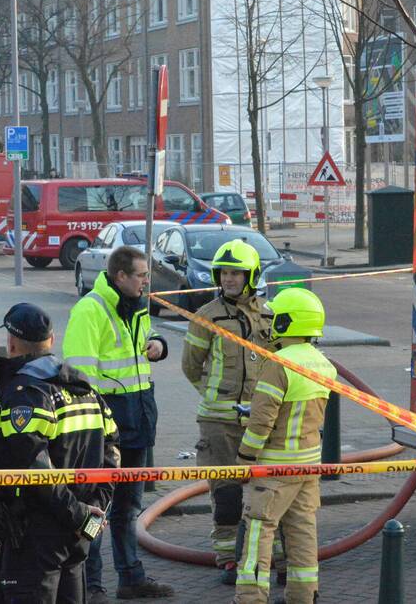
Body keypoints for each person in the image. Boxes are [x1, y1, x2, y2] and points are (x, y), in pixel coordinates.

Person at [0, 303, 120, 604]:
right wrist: (92, 515)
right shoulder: (86, 390)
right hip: (77, 533)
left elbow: (33, 466)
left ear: (11, 342)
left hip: (34, 536)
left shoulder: (26, 393)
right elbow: (112, 455)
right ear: (51, 341)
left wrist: (79, 515)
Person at [63, 246, 173, 602]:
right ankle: (91, 585)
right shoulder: (90, 310)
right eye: (141, 275)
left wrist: (157, 343)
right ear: (120, 276)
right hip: (104, 435)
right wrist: (98, 432)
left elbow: (145, 339)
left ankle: (130, 579)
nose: (147, 281)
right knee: (96, 512)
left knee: (128, 509)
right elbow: (80, 379)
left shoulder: (136, 307)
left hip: (137, 423)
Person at [234, 288, 334, 604]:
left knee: (258, 531)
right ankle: (303, 596)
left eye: (276, 317)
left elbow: (262, 420)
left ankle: (250, 597)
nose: (271, 321)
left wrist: (245, 458)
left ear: (287, 322)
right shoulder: (323, 364)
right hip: (309, 464)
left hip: (276, 466)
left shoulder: (278, 363)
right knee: (302, 531)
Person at [181, 239, 273, 584]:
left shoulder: (270, 315)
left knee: (267, 491)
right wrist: (215, 397)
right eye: (224, 273)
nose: (229, 279)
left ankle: (268, 555)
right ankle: (227, 556)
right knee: (227, 493)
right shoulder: (206, 317)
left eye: (237, 273)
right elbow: (191, 367)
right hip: (218, 423)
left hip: (261, 420)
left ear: (252, 276)